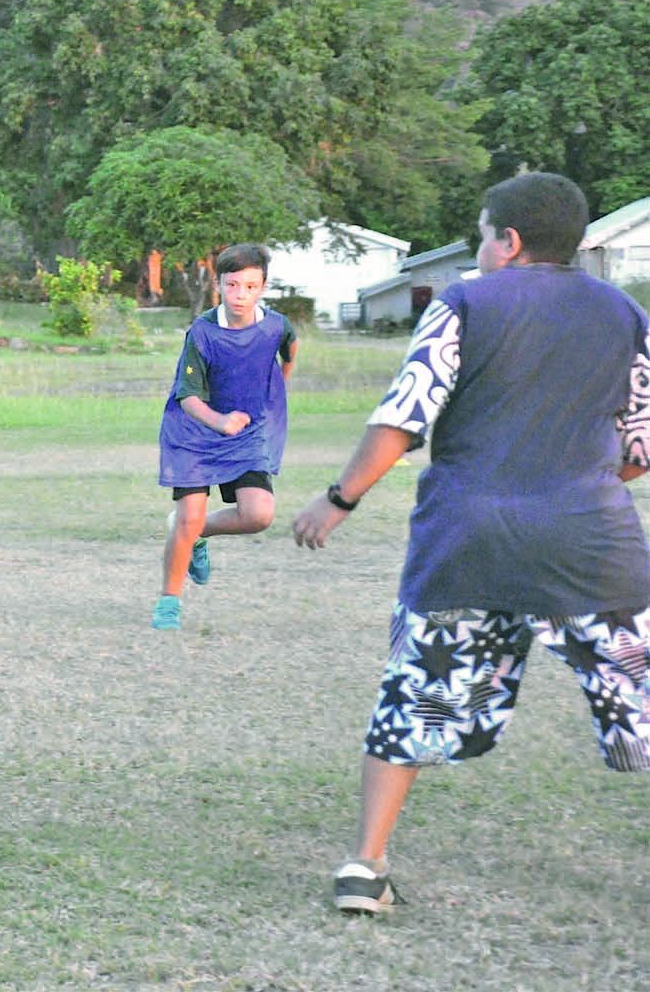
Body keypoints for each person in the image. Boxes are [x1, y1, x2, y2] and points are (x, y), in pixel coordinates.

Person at [292, 172, 650, 915]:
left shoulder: (463, 303)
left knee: (414, 696)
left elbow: (406, 412)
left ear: (508, 242)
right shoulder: (626, 315)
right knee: (640, 700)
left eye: (484, 234)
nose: (481, 249)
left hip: (468, 542)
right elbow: (639, 449)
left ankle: (364, 865)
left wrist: (338, 500)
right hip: (592, 544)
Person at [153, 243, 297, 630]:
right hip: (194, 432)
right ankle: (169, 601)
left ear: (263, 286)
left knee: (259, 514)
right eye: (232, 285)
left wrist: (273, 390)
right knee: (188, 517)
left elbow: (289, 350)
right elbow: (187, 397)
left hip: (244, 433)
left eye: (250, 287)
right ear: (219, 284)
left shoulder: (276, 325)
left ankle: (199, 535)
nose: (241, 295)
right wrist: (220, 421)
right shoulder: (202, 332)